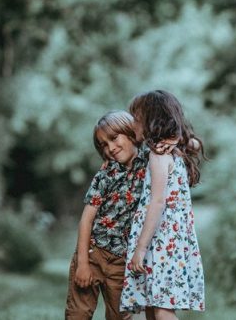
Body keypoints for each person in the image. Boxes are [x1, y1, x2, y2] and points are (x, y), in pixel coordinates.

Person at [65, 110, 178, 320]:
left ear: (131, 131)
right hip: (93, 253)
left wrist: (174, 140)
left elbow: (191, 145)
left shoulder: (152, 160)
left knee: (120, 316)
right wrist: (82, 263)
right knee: (77, 314)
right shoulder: (106, 173)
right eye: (103, 145)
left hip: (123, 262)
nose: (110, 148)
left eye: (114, 138)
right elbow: (86, 219)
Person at [121, 90, 206, 319]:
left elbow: (157, 202)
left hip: (160, 241)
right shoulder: (173, 150)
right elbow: (195, 144)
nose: (133, 125)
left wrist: (140, 249)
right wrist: (178, 138)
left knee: (161, 309)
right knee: (153, 304)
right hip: (167, 239)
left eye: (136, 119)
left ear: (151, 121)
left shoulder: (159, 155)